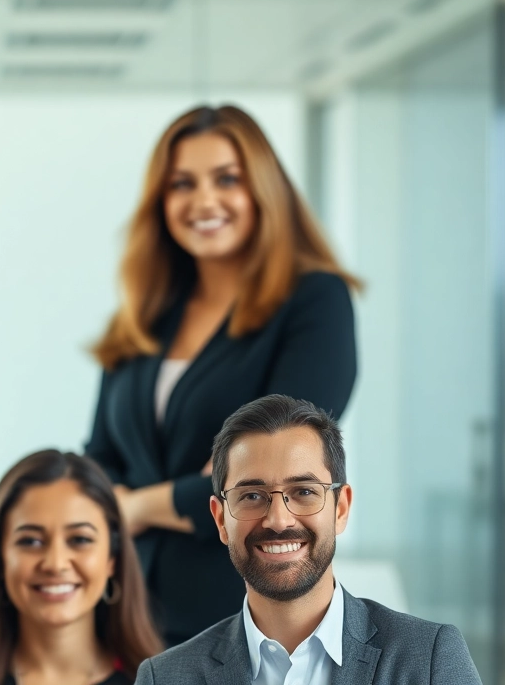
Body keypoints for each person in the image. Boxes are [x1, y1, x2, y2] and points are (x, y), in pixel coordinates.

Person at [85, 105, 359, 645]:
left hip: (236, 612)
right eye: (182, 183)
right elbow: (101, 456)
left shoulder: (313, 301)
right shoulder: (145, 315)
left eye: (226, 179)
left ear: (263, 189)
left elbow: (272, 468)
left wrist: (135, 506)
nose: (204, 201)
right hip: (123, 610)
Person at [135, 394, 481, 684]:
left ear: (341, 508)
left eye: (303, 491)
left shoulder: (428, 660)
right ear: (220, 519)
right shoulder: (164, 677)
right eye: (252, 496)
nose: (278, 519)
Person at [0, 451, 164, 685]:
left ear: (112, 559)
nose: (55, 564)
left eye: (80, 539)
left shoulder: (162, 679)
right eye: (31, 541)